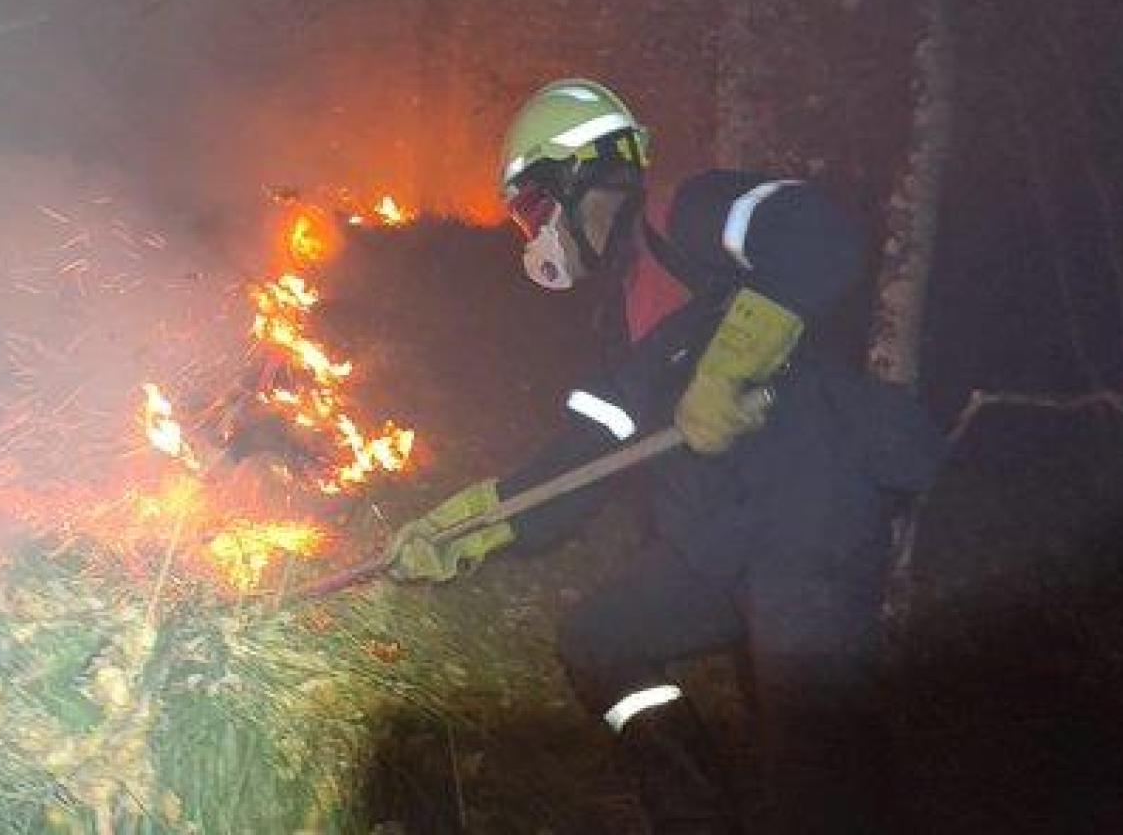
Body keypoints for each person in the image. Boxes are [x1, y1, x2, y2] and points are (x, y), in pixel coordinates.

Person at [387, 79, 943, 833]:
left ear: (585, 178)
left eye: (534, 210)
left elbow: (816, 236)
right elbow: (578, 465)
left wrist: (728, 365)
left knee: (816, 773)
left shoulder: (685, 210)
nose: (534, 237)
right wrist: (463, 531)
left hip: (808, 528)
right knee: (600, 641)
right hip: (718, 549)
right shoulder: (621, 320)